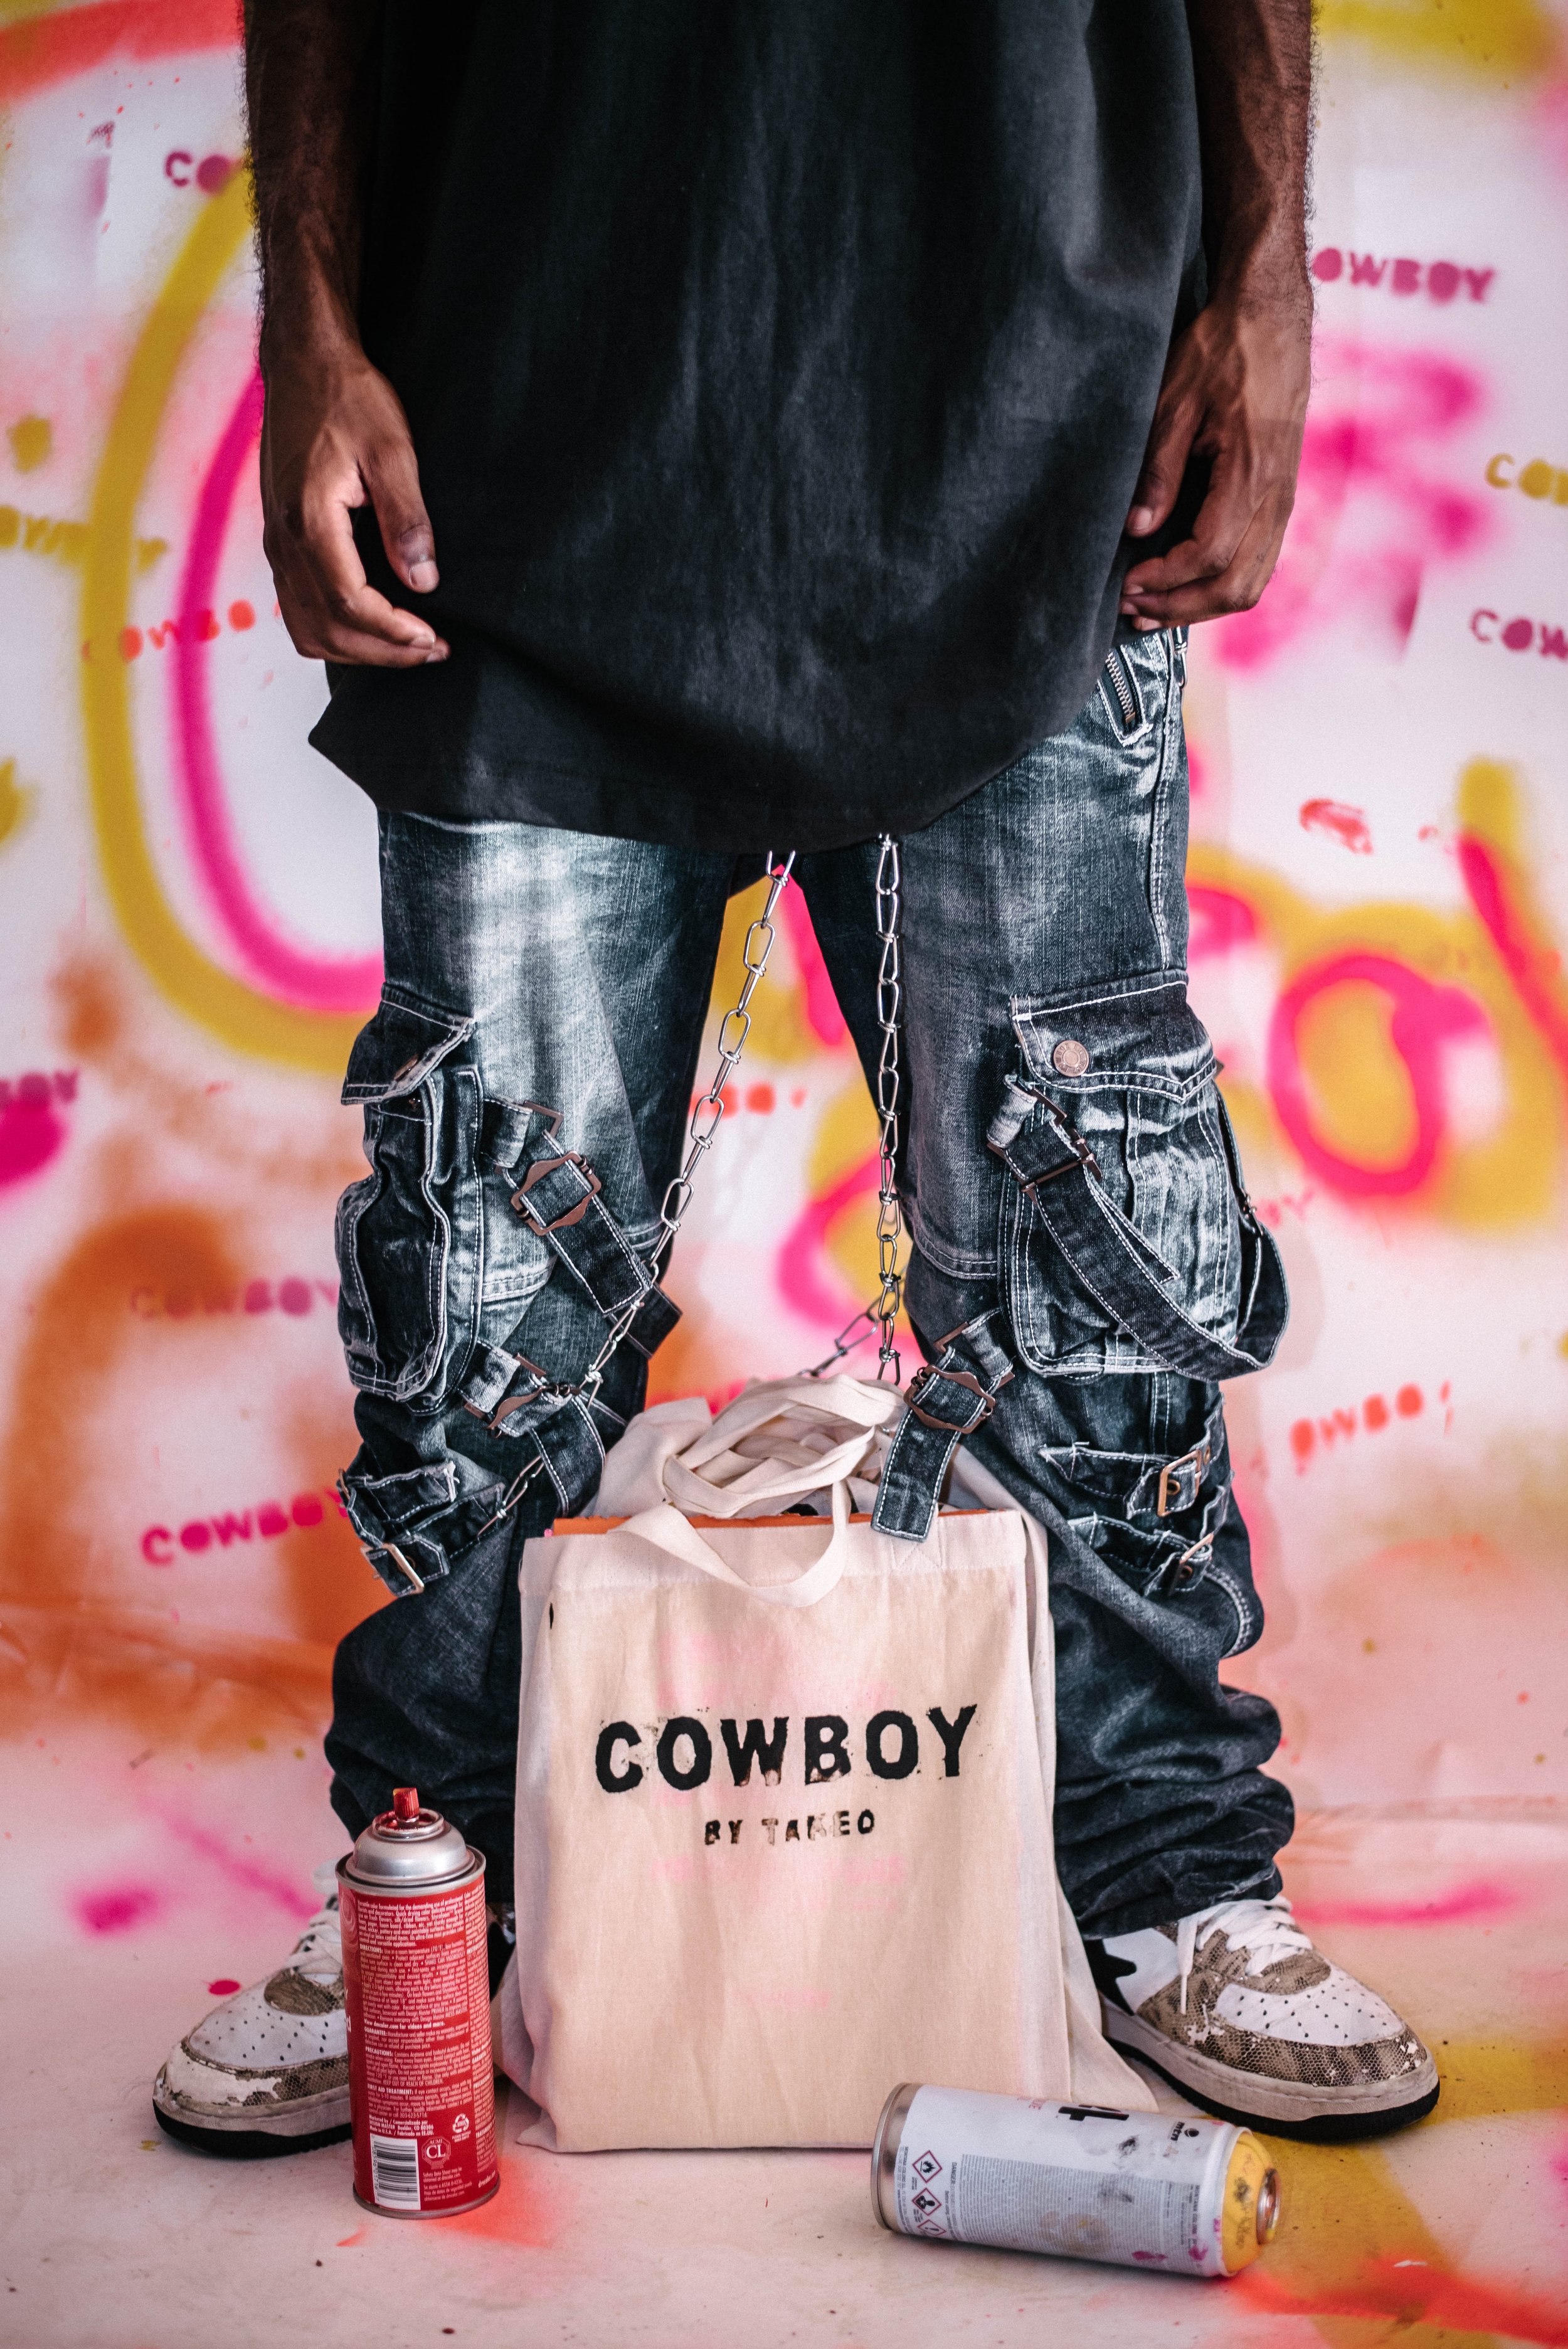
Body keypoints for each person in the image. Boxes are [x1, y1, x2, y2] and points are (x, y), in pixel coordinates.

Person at [154, 0, 1438, 2158]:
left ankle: (1162, 1868)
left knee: (1082, 1238)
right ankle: (425, 1858)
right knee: (486, 1258)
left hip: (1037, 423)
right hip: (521, 424)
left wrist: (1262, 285)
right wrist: (310, 331)